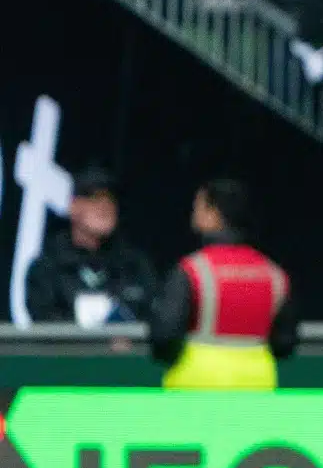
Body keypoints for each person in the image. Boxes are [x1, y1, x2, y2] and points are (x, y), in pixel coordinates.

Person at [149, 180, 300, 389]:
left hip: (196, 387)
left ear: (213, 213)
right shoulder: (273, 274)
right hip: (257, 386)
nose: (194, 214)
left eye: (198, 207)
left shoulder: (193, 270)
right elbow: (285, 343)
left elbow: (164, 336)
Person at [25, 167, 157, 326]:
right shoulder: (47, 267)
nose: (105, 206)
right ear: (73, 206)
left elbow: (153, 318)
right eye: (94, 198)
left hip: (125, 351)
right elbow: (45, 324)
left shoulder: (135, 266)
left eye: (110, 199)